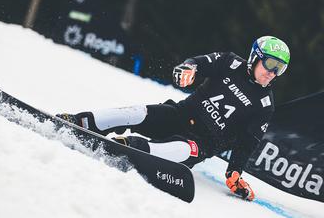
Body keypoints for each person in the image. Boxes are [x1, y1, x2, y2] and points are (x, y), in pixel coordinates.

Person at [57, 36, 290, 201]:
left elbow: (247, 143)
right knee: (137, 112)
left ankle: (127, 147)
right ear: (255, 58)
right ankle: (81, 122)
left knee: (181, 149)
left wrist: (234, 173)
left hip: (201, 143)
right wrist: (188, 69)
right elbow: (198, 63)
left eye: (279, 68)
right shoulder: (230, 62)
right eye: (270, 63)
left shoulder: (264, 105)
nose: (272, 72)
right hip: (181, 115)